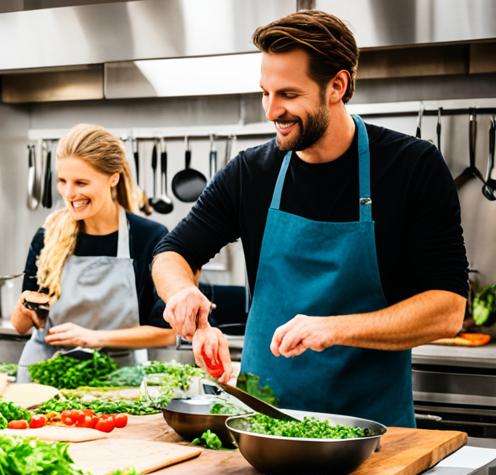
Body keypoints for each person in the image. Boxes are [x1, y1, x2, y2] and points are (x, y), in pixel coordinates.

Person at [152, 10, 466, 427]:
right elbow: (171, 252)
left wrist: (335, 328)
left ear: (337, 86)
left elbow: (447, 309)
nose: (270, 111)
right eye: (265, 92)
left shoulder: (411, 167)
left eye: (287, 94)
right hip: (263, 425)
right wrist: (180, 294)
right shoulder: (252, 172)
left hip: (373, 433)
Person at [11, 124, 174, 381]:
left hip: (117, 379)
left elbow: (167, 332)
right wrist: (23, 309)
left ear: (113, 178)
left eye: (81, 182)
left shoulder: (148, 237)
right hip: (45, 377)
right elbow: (22, 327)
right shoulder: (49, 235)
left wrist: (93, 338)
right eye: (63, 182)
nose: (69, 193)